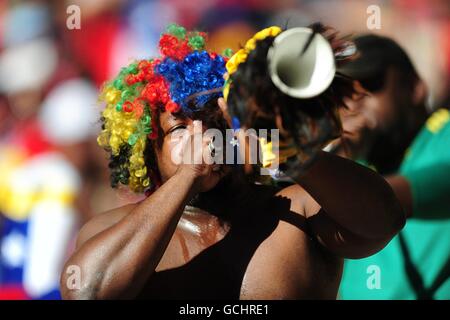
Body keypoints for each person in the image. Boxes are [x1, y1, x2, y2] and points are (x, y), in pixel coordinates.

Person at [60, 24, 405, 300]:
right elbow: (87, 291)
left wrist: (292, 155)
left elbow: (383, 221)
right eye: (180, 128)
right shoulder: (112, 229)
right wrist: (189, 176)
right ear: (149, 153)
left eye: (216, 123)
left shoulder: (298, 208)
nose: (204, 137)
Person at [336, 34, 450, 299]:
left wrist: (319, 165)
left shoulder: (444, 133)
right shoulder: (354, 162)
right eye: (342, 94)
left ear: (414, 87)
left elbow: (382, 200)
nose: (352, 104)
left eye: (369, 87)